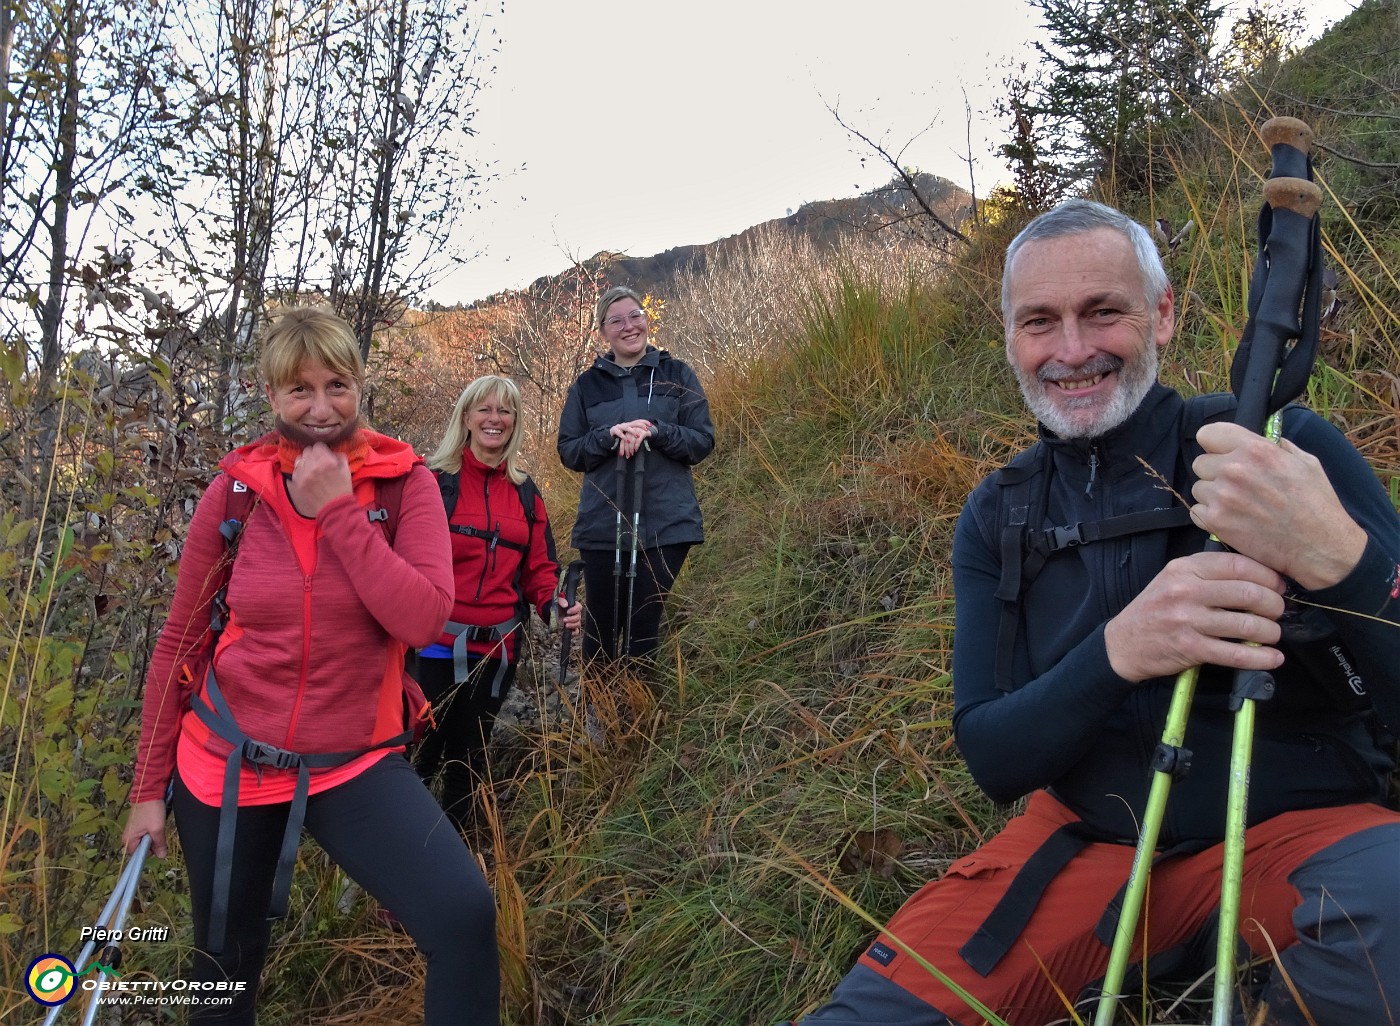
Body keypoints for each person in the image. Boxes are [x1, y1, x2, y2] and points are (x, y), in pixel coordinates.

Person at [789, 200, 1400, 1026]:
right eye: (1039, 322)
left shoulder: (1278, 448)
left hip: (1305, 832)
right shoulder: (996, 514)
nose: (1072, 351)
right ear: (1011, 339)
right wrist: (1121, 650)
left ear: (1163, 314)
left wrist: (1338, 559)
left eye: (1102, 312)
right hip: (1084, 847)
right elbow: (994, 756)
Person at [122, 306, 500, 1026]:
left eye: (337, 386)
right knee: (225, 977)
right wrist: (147, 789)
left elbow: (422, 620)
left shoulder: (403, 485)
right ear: (271, 396)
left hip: (353, 759)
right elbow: (180, 641)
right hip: (227, 764)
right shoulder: (234, 495)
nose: (321, 407)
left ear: (361, 386)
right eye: (300, 390)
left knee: (462, 917)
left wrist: (339, 515)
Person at [413, 375, 582, 832]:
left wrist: (556, 605)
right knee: (418, 757)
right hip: (431, 645)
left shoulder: (527, 494)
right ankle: (395, 867)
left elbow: (540, 572)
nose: (494, 419)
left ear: (515, 422)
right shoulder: (431, 483)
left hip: (497, 652)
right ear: (466, 418)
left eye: (504, 411)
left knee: (469, 761)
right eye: (484, 410)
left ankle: (454, 865)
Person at [557, 285, 714, 662]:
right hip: (601, 525)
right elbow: (569, 449)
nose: (629, 326)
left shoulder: (677, 374)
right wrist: (608, 436)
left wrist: (657, 431)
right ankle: (598, 713)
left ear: (646, 320)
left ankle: (640, 714)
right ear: (602, 331)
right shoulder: (586, 386)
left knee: (643, 626)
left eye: (635, 316)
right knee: (600, 630)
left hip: (666, 525)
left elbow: (702, 440)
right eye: (616, 320)